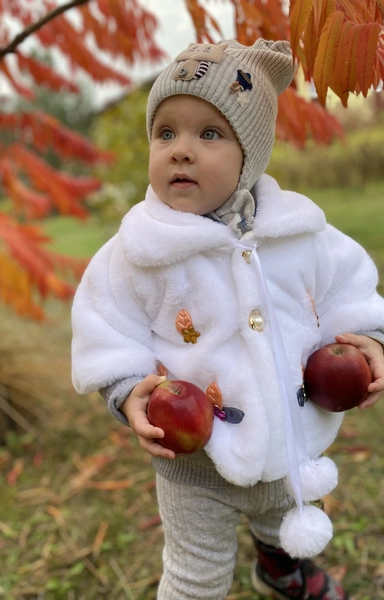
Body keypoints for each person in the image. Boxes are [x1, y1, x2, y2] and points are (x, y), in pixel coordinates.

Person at [71, 38, 384, 600]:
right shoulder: (139, 251)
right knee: (195, 576)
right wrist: (126, 389)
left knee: (284, 525)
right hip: (197, 463)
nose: (180, 150)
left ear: (251, 154)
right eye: (165, 133)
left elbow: (349, 287)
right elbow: (105, 325)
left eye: (208, 134)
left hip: (292, 441)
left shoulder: (299, 233)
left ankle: (280, 568)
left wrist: (367, 337)